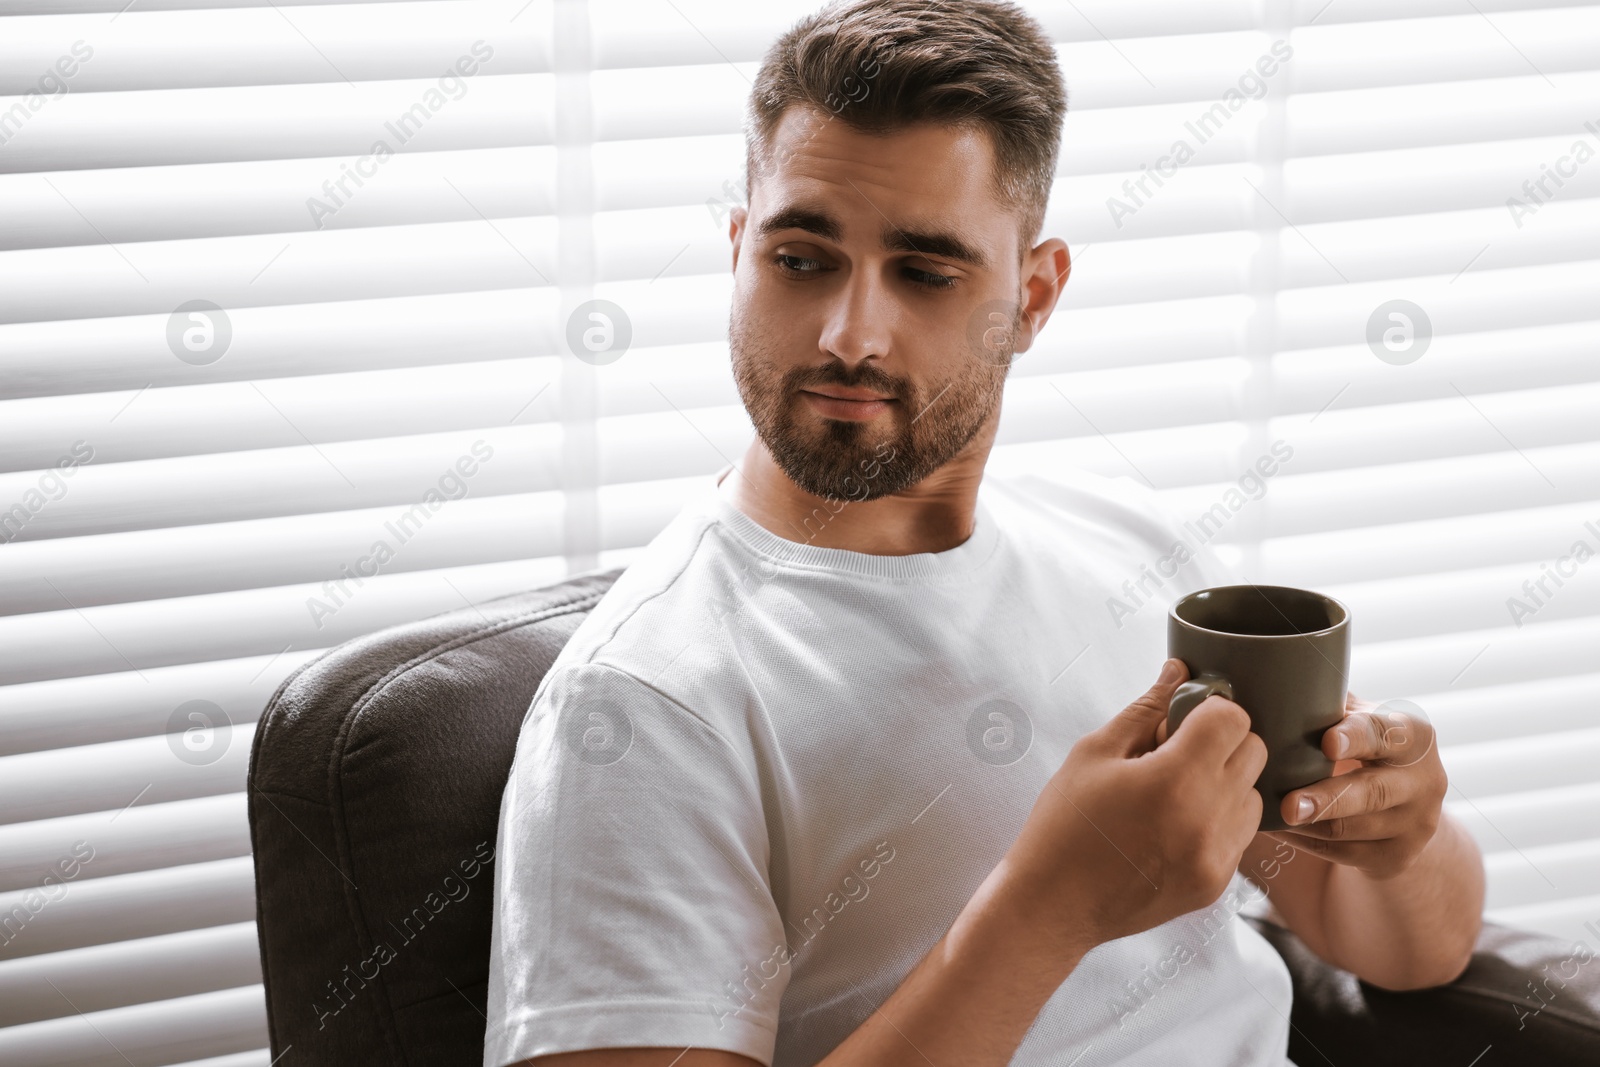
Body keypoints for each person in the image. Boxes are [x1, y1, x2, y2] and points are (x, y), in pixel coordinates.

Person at [483, 2, 1485, 1064]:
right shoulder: (642, 704)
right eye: (800, 258)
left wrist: (1399, 841)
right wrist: (1044, 911)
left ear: (1033, 296)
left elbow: (1412, 950)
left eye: (924, 273)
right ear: (738, 250)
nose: (848, 333)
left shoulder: (1131, 548)